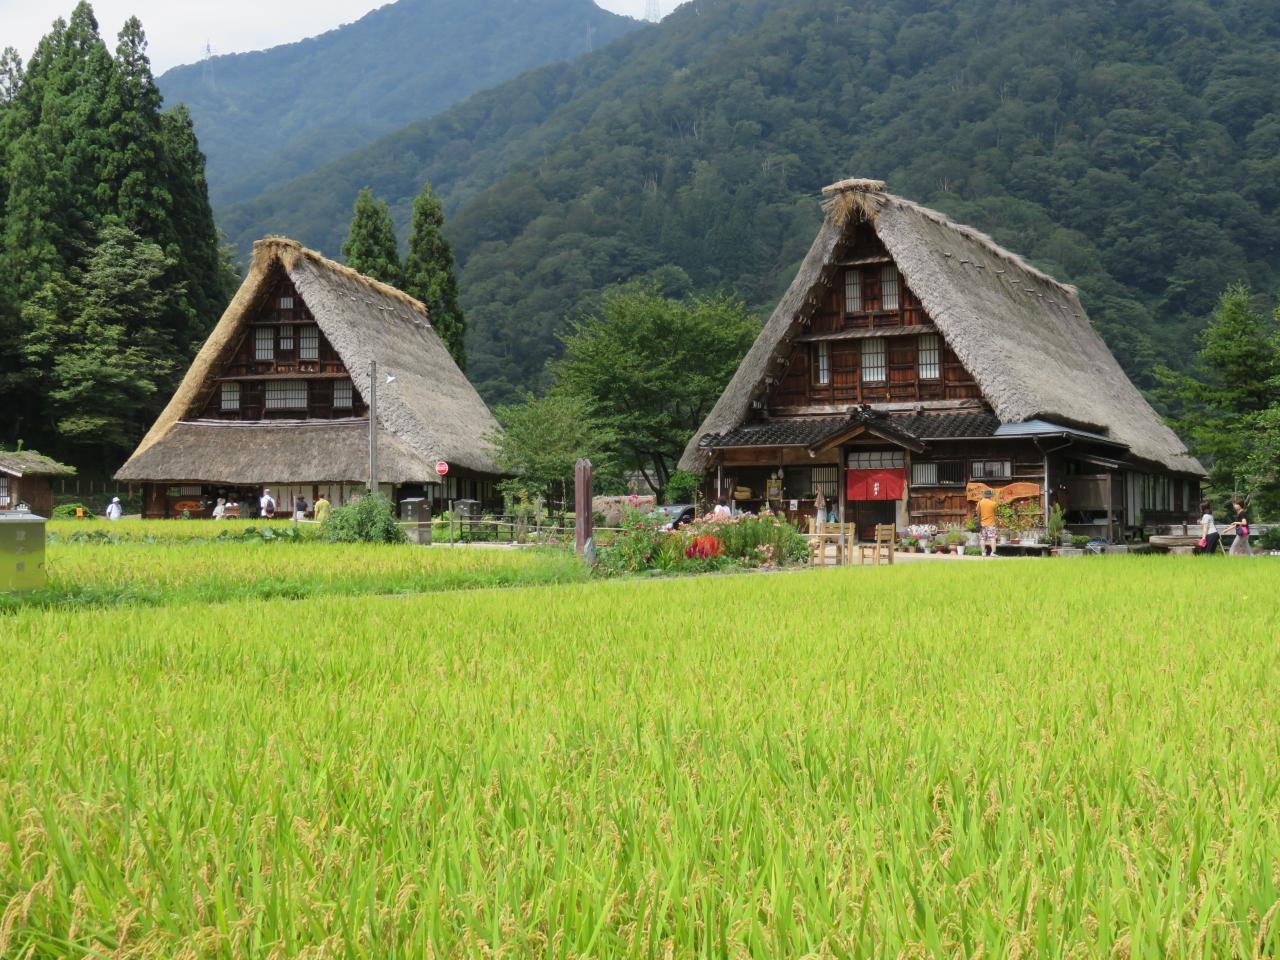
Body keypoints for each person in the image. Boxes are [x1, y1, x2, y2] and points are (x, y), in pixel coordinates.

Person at [977, 489, 999, 557]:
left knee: (982, 538)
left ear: (984, 495)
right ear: (990, 496)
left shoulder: (980, 503)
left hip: (982, 524)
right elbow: (996, 512)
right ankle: (993, 553)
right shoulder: (993, 503)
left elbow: (978, 513)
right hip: (991, 524)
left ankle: (983, 552)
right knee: (992, 538)